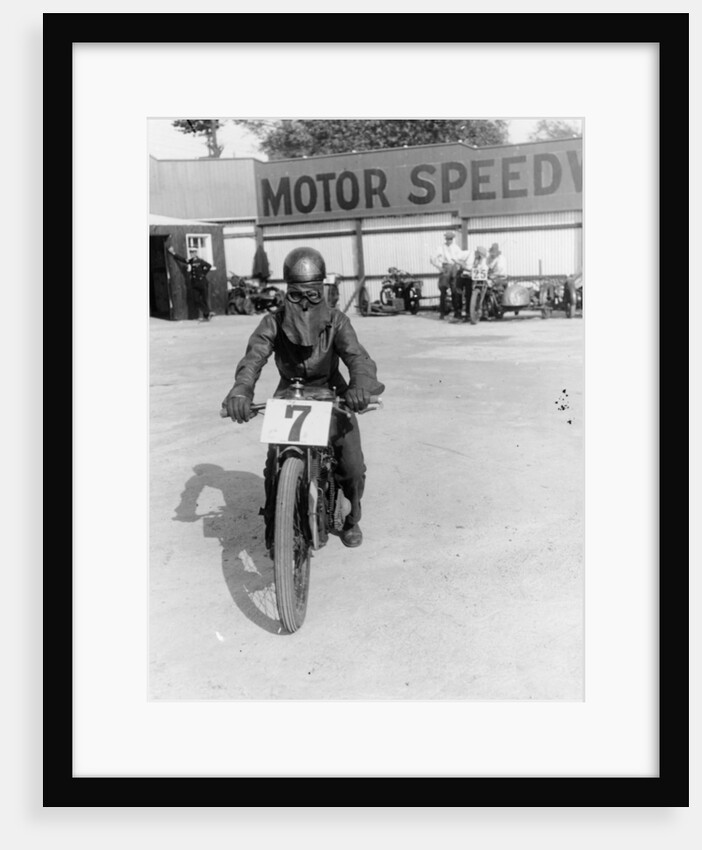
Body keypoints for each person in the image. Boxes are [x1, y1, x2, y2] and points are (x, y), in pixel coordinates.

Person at [221, 247, 385, 549]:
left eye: (313, 295)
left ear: (322, 291)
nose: (305, 304)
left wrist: (360, 385)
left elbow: (358, 357)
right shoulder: (272, 322)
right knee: (275, 463)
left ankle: (352, 519)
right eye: (296, 296)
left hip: (332, 392)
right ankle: (278, 520)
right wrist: (241, 389)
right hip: (289, 394)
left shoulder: (338, 322)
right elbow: (254, 358)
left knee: (352, 466)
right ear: (286, 292)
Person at [168, 246, 214, 321]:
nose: (192, 254)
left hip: (202, 283)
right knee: (196, 299)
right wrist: (173, 253)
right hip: (195, 283)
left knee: (204, 299)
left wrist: (203, 274)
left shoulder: (200, 261)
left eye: (193, 252)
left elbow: (209, 266)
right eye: (191, 252)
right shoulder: (191, 261)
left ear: (196, 253)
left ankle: (207, 316)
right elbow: (182, 260)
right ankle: (208, 312)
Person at [430, 230, 463, 320]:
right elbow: (432, 258)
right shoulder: (441, 247)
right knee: (443, 291)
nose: (449, 241)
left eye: (451, 239)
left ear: (453, 239)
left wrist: (459, 267)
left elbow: (460, 258)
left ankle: (457, 312)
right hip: (445, 268)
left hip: (454, 268)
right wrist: (439, 267)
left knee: (455, 291)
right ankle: (442, 312)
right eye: (448, 239)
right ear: (445, 239)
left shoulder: (456, 248)